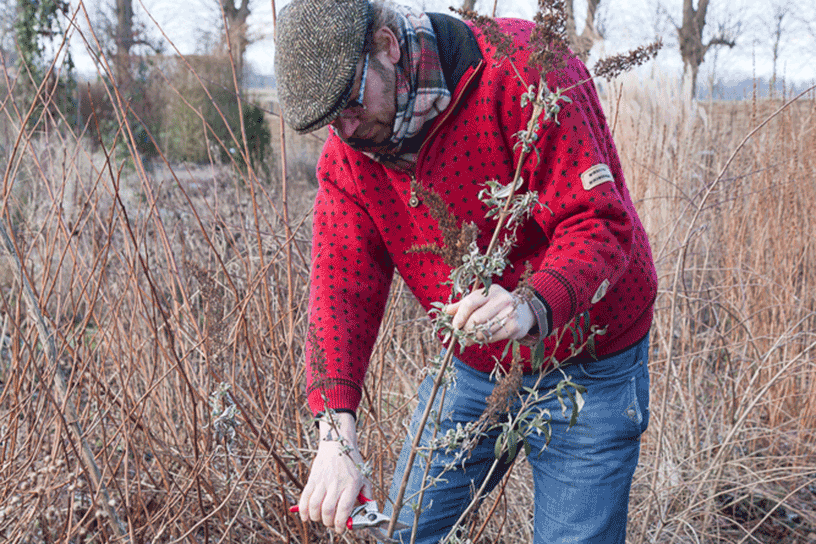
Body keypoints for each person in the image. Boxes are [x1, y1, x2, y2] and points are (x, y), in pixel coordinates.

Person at [275, 0, 658, 542]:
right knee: (405, 535)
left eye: (350, 101)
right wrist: (335, 436)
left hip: (591, 359)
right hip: (476, 366)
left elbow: (601, 223)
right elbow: (341, 289)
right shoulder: (350, 152)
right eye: (328, 120)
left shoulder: (527, 71)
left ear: (387, 46)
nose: (346, 126)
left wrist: (529, 302)